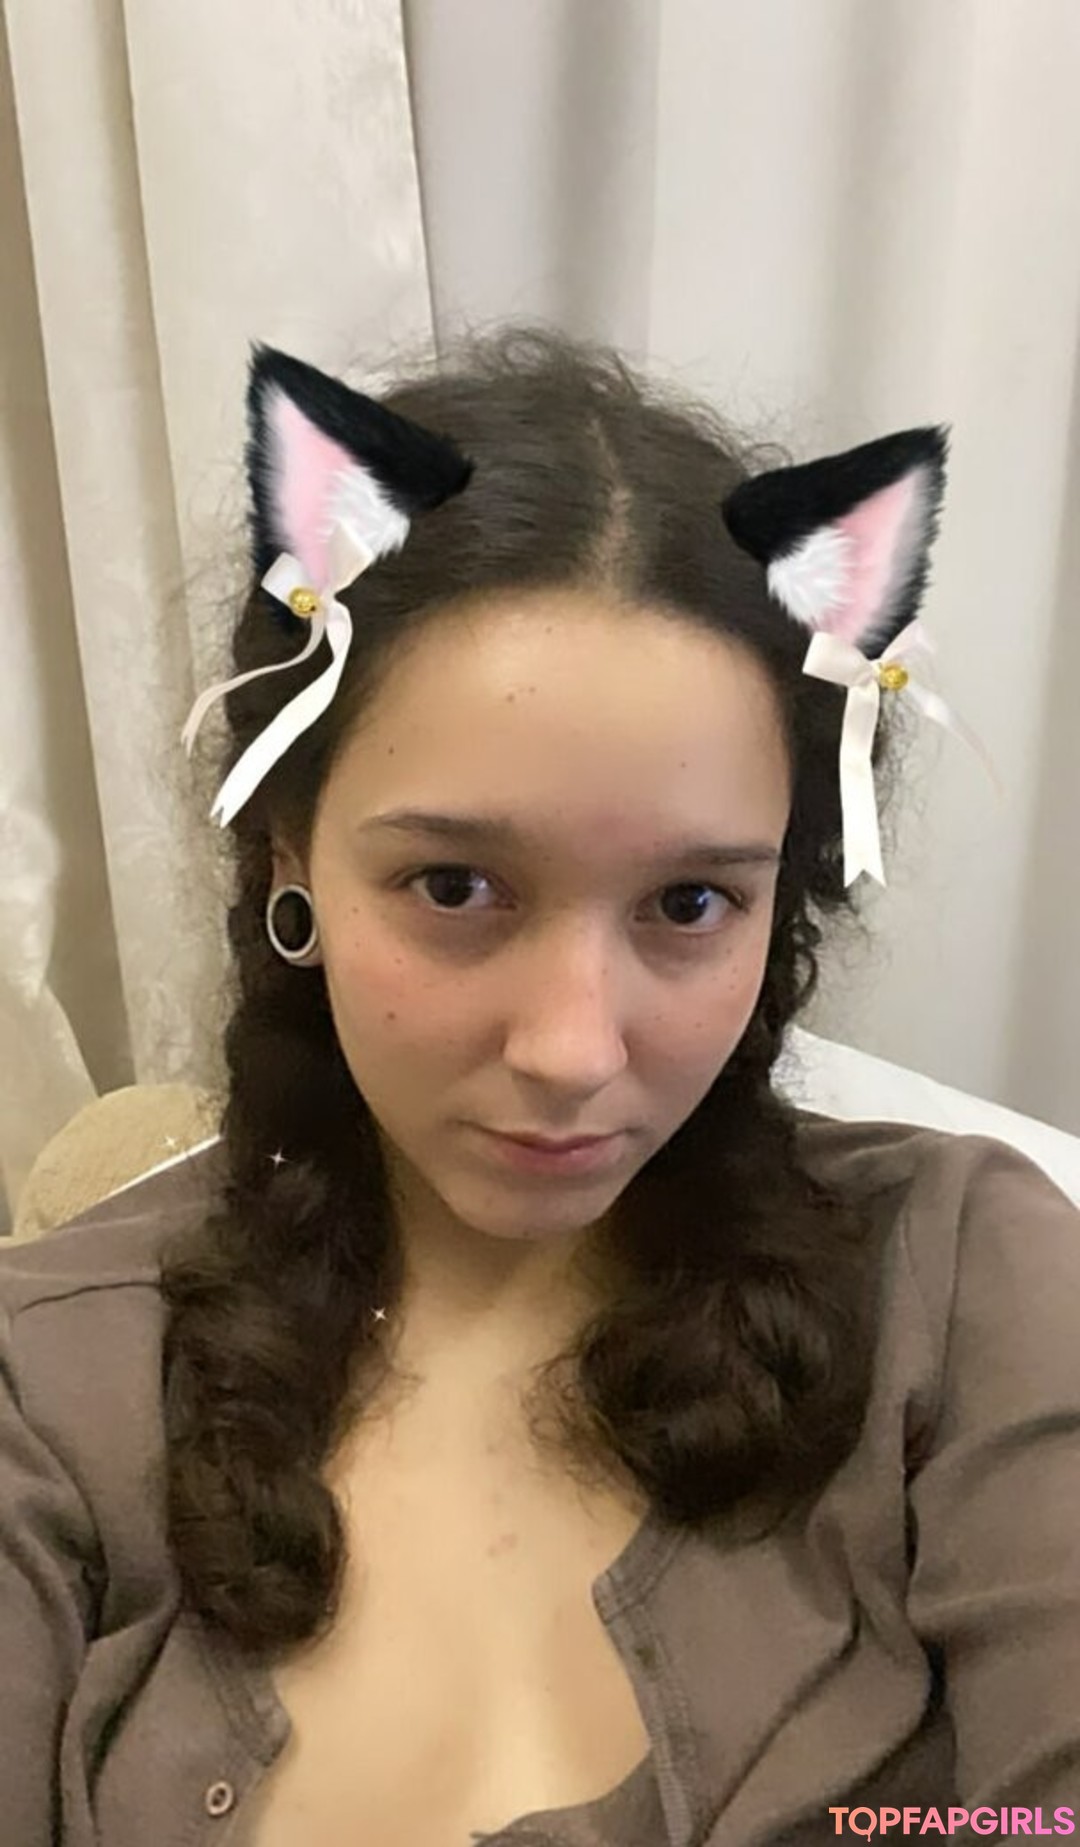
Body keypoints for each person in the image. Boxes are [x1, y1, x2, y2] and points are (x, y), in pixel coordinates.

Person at [2, 326, 1078, 1847]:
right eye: (455, 885)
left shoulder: (969, 1285)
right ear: (291, 854)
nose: (575, 1049)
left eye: (690, 904)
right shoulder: (53, 1382)